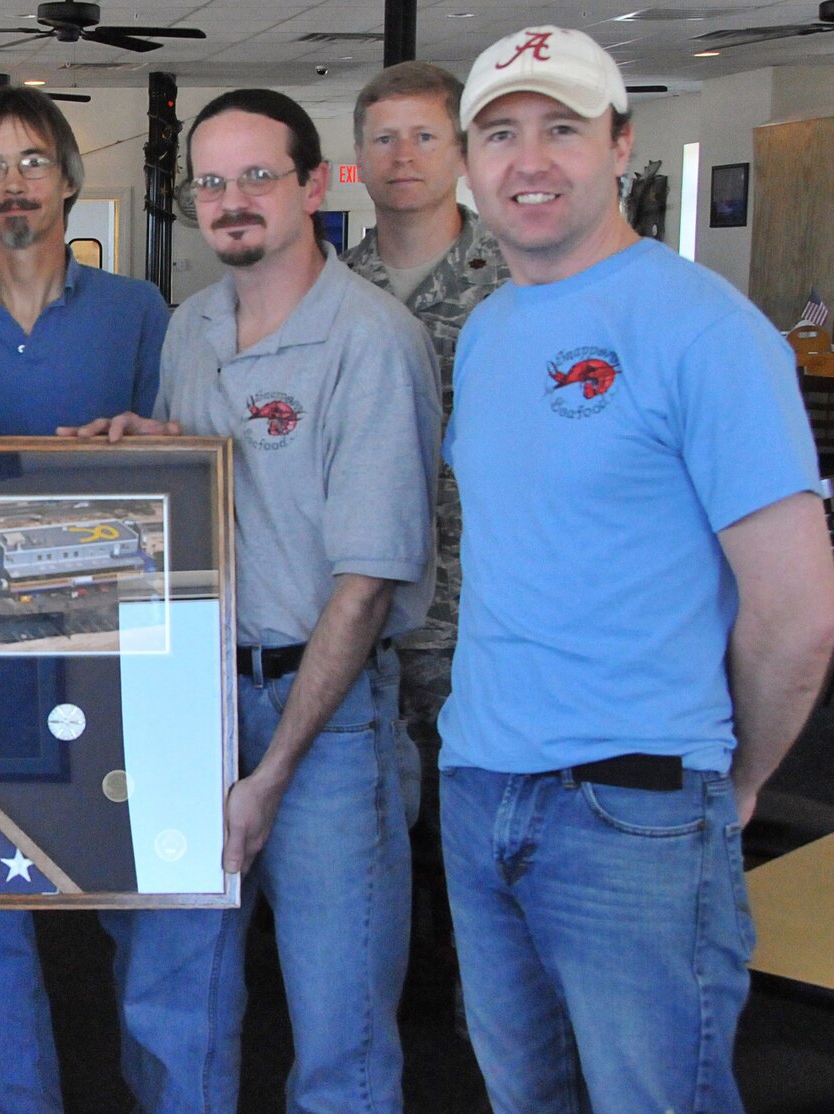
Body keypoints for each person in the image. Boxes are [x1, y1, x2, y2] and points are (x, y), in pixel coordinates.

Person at [444, 27, 834, 1113]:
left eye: (561, 129)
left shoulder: (703, 330)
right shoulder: (485, 334)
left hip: (636, 810)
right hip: (479, 787)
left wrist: (735, 780)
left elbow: (796, 613)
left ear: (619, 145)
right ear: (468, 167)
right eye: (500, 134)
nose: (528, 161)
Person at [70, 88, 438, 1112]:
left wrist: (269, 772)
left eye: (257, 177)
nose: (232, 201)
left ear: (311, 185)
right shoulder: (190, 327)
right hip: (190, 704)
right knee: (170, 1002)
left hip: (319, 722)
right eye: (212, 183)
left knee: (338, 1023)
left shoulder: (373, 341)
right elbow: (214, 497)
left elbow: (362, 590)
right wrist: (153, 450)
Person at [0, 87, 168, 1114]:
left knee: (130, 893)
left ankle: (151, 1091)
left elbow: (175, 469)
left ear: (67, 179)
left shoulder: (136, 311)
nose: (13, 186)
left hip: (111, 645)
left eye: (31, 163)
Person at [343, 65, 509, 918]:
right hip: (359, 611)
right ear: (358, 157)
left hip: (487, 610)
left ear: (463, 151)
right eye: (383, 137)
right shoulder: (329, 292)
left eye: (424, 136)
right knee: (368, 830)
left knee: (485, 830)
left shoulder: (519, 279)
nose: (402, 156)